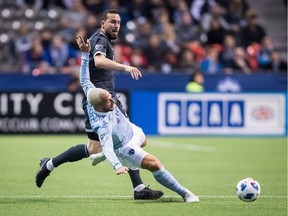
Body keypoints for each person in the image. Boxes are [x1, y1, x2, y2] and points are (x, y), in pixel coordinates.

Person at [35, 9, 163, 200]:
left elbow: (91, 63)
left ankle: (49, 165)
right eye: (112, 22)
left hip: (103, 100)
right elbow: (99, 60)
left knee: (95, 148)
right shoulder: (101, 40)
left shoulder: (101, 40)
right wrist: (125, 66)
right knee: (127, 140)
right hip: (103, 101)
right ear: (102, 23)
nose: (116, 25)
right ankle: (139, 189)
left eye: (118, 22)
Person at [76, 34, 199, 202]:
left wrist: (84, 54)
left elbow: (84, 78)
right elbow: (110, 149)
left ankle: (100, 155)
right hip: (124, 146)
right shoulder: (102, 125)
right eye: (108, 100)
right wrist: (118, 165)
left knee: (145, 141)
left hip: (130, 130)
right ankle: (186, 194)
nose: (112, 99)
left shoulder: (92, 92)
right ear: (100, 107)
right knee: (154, 164)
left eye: (109, 96)